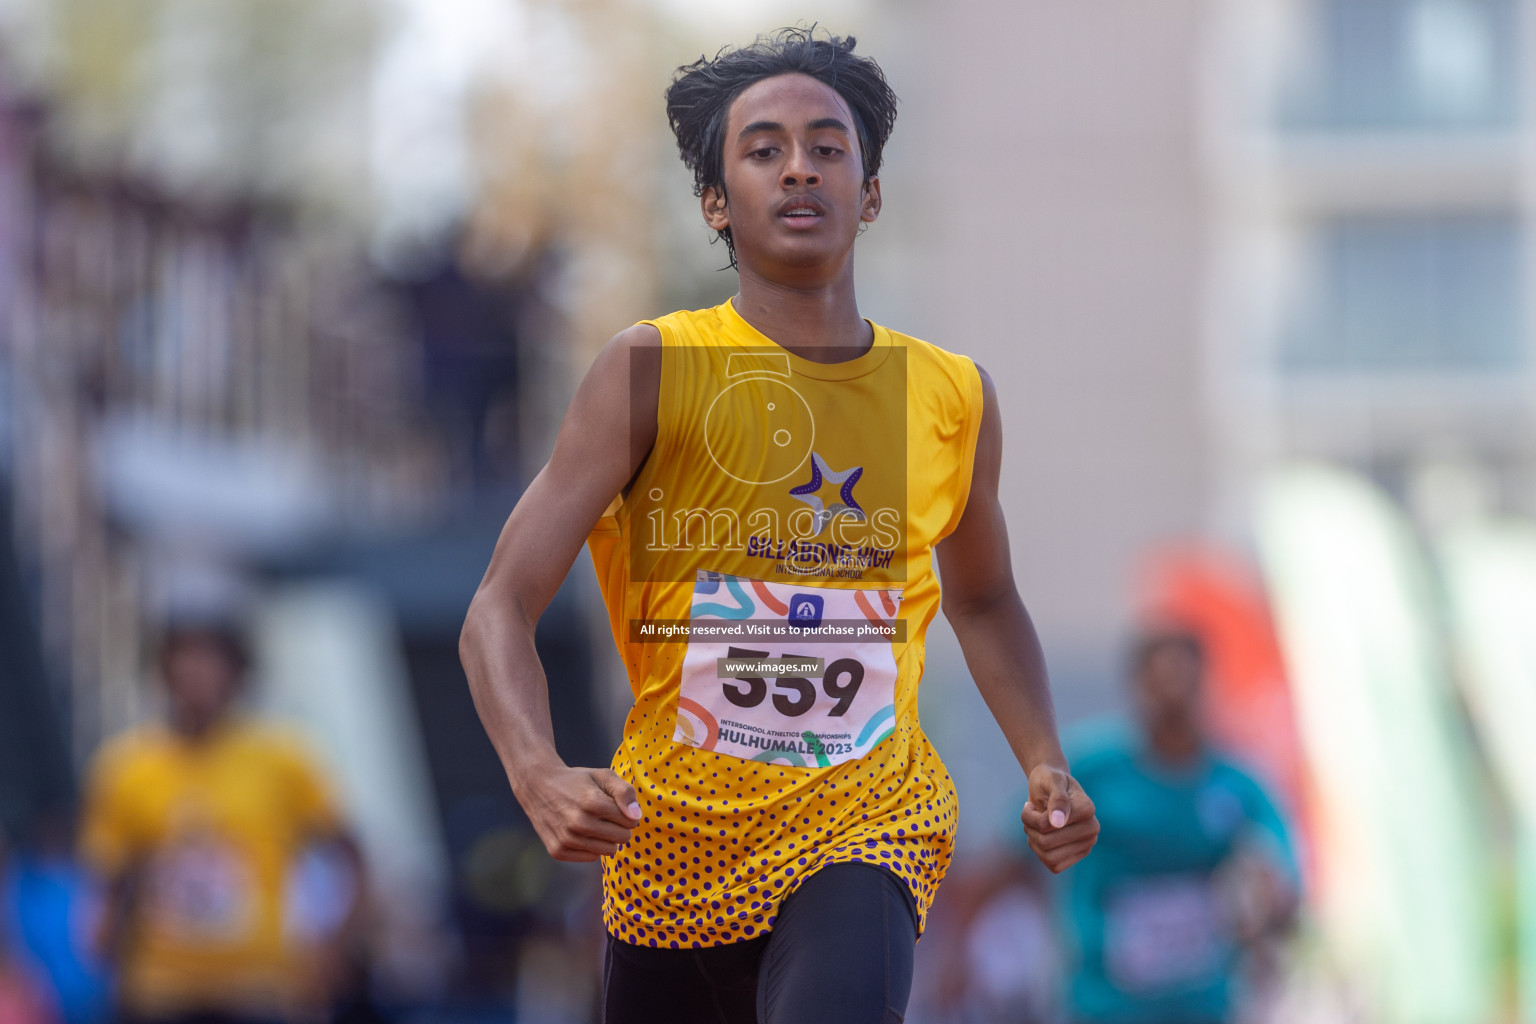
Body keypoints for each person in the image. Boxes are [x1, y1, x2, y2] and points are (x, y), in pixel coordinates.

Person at [460, 27, 1099, 1024]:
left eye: (827, 146)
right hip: (668, 848)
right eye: (763, 148)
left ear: (870, 192)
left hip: (865, 824)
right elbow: (498, 605)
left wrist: (1042, 756)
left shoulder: (950, 396)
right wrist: (537, 774)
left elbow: (981, 595)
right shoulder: (650, 372)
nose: (798, 166)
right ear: (717, 201)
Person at [78, 621, 364, 1024]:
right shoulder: (125, 767)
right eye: (183, 663)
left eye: (209, 663)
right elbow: (109, 876)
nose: (195, 677)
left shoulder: (283, 759)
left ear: (237, 675)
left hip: (260, 988)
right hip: (160, 989)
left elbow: (352, 857)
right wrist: (102, 944)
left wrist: (335, 947)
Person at [1054, 630, 1298, 1024]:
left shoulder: (1237, 783)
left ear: (1204, 683)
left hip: (1204, 1004)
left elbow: (1281, 868)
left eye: (1184, 679)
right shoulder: (1092, 770)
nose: (1173, 694)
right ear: (1137, 685)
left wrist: (1272, 896)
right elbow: (1011, 856)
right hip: (1105, 1005)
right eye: (1160, 679)